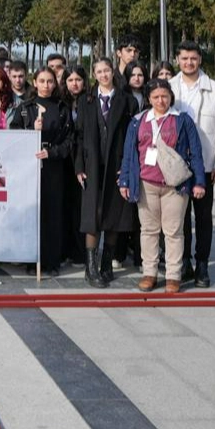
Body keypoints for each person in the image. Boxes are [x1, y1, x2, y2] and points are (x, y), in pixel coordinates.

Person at [118, 79, 208, 293]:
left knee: (173, 232)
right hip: (146, 183)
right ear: (149, 98)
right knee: (148, 230)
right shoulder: (138, 121)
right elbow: (129, 153)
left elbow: (195, 153)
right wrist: (125, 180)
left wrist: (199, 182)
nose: (161, 100)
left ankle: (173, 275)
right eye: (156, 97)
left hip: (175, 185)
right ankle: (149, 273)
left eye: (165, 96)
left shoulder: (182, 120)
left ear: (171, 97)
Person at [170, 41, 215, 288]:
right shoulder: (170, 88)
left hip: (204, 165)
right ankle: (183, 263)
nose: (189, 62)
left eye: (193, 58)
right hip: (176, 166)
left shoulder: (214, 90)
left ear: (200, 60)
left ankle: (202, 265)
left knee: (204, 217)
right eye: (184, 58)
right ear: (177, 60)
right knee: (179, 218)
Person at [75, 58, 139, 287]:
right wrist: (79, 166)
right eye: (99, 71)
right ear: (95, 74)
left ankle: (106, 263)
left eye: (107, 71)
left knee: (114, 213)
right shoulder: (86, 101)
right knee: (93, 213)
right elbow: (79, 135)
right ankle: (90, 267)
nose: (103, 75)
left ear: (113, 72)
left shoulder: (127, 101)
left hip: (117, 165)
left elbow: (133, 137)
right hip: (92, 166)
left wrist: (129, 166)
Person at [10, 67, 75, 275]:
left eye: (50, 81)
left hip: (53, 166)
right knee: (33, 212)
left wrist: (52, 152)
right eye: (42, 81)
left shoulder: (62, 108)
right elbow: (14, 136)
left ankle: (51, 260)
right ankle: (32, 259)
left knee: (53, 213)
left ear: (55, 84)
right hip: (30, 167)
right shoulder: (24, 108)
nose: (46, 85)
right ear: (35, 82)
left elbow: (69, 140)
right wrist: (32, 133)